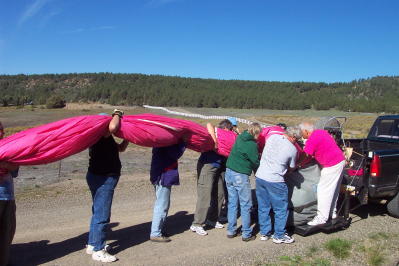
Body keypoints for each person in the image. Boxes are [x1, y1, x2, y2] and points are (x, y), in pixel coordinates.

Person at [86, 110, 129, 263]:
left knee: (97, 212)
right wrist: (117, 114)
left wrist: (128, 137)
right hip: (103, 179)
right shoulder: (100, 133)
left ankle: (92, 244)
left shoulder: (105, 138)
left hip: (98, 176)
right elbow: (112, 127)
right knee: (102, 215)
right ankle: (98, 250)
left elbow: (120, 149)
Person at [255, 126, 300, 244]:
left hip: (260, 176)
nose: (297, 141)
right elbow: (291, 167)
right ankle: (279, 235)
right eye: (297, 139)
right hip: (275, 180)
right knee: (280, 209)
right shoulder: (292, 149)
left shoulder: (273, 137)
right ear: (293, 137)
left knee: (263, 207)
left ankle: (265, 232)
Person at [190, 119, 233, 236]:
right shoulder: (214, 132)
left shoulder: (227, 136)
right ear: (225, 129)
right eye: (230, 130)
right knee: (205, 195)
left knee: (220, 194)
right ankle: (197, 224)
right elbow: (209, 124)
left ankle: (213, 219)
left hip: (219, 168)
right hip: (207, 166)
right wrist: (215, 140)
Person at [299, 122, 345, 226]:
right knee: (334, 190)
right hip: (339, 160)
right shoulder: (320, 132)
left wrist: (298, 164)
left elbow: (306, 155)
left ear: (306, 131)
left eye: (302, 132)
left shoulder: (312, 138)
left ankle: (322, 217)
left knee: (323, 190)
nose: (301, 135)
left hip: (332, 164)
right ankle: (332, 212)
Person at [225, 123, 261, 241]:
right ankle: (246, 233)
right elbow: (255, 162)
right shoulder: (252, 145)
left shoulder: (240, 136)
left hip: (229, 171)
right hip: (240, 174)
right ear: (256, 133)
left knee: (232, 203)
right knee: (246, 205)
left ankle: (231, 230)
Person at [150, 141, 186, 242]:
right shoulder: (165, 141)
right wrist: (184, 142)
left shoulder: (160, 139)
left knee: (163, 204)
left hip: (160, 174)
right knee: (162, 205)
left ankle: (158, 230)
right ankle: (155, 233)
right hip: (163, 175)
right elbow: (175, 154)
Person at [0, 122, 19, 266]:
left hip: (8, 195)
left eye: (1, 130)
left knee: (8, 231)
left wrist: (6, 164)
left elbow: (15, 170)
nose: (1, 133)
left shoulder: (9, 147)